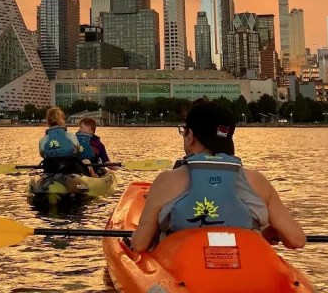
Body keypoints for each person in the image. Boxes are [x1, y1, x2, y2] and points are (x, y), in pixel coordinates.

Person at [131, 100, 306, 252]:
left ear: (190, 135)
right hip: (242, 275)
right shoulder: (257, 182)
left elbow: (140, 244)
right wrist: (263, 234)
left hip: (185, 273)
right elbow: (296, 240)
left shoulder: (167, 181)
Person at [38, 107, 87, 175]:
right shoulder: (70, 136)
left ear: (48, 121)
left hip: (51, 168)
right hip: (70, 168)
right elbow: (78, 150)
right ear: (61, 120)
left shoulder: (43, 140)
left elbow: (42, 154)